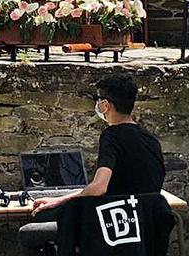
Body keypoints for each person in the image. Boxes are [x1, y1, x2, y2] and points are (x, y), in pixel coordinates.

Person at [32, 74, 165, 216]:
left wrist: (59, 200)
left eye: (98, 99)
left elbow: (99, 188)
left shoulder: (112, 136)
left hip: (116, 220)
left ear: (105, 105)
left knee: (40, 217)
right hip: (149, 222)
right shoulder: (150, 139)